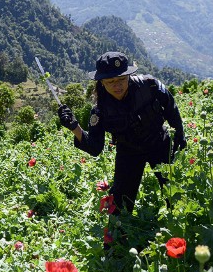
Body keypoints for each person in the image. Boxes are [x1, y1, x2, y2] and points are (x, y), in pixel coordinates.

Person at [57, 51, 186, 213]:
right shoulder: (99, 110)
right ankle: (120, 235)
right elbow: (95, 148)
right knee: (120, 206)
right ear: (101, 82)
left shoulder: (150, 86)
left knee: (175, 195)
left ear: (129, 76)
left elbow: (171, 108)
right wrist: (74, 127)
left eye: (121, 80)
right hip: (129, 152)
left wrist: (180, 135)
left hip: (159, 142)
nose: (117, 86)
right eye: (110, 82)